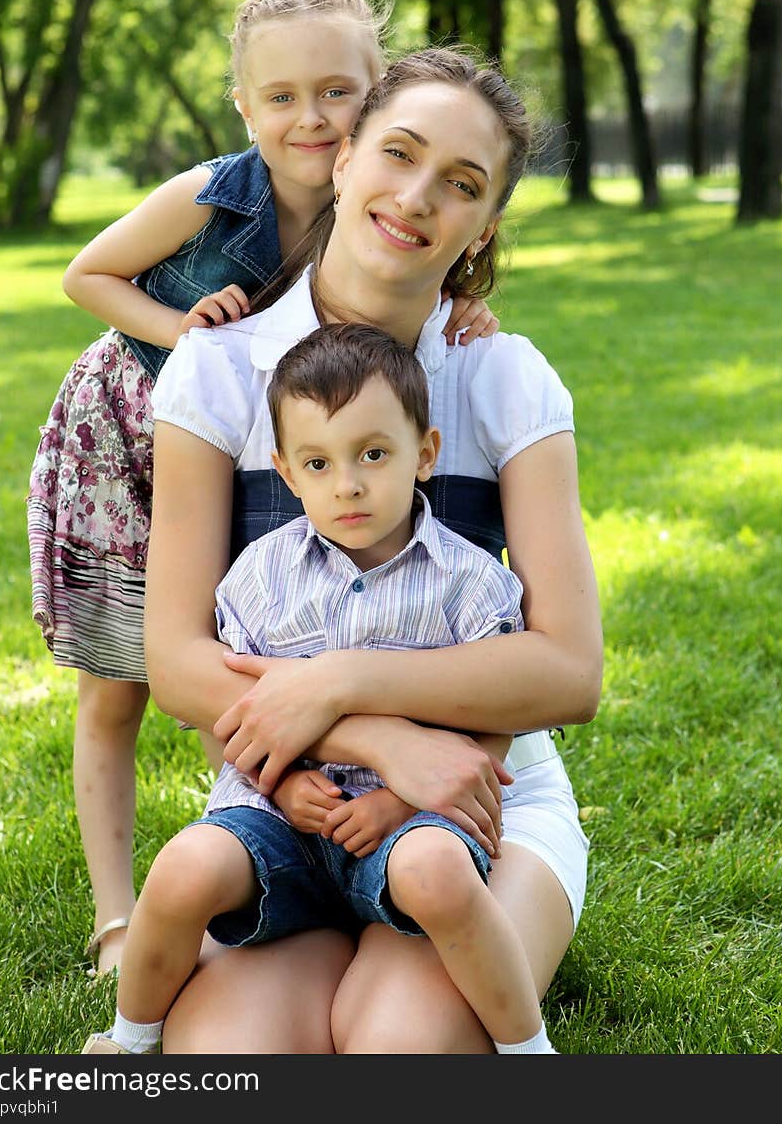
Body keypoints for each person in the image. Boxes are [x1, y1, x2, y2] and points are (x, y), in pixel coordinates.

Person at [25, 0, 497, 978]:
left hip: (272, 444)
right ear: (245, 105)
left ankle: (264, 836)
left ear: (377, 92)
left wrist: (470, 306)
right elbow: (85, 274)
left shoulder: (376, 198)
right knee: (123, 686)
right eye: (280, 96)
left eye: (337, 91)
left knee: (254, 631)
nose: (312, 117)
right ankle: (118, 917)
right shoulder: (210, 191)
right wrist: (181, 328)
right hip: (133, 431)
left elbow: (430, 266)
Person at [145, 45, 604, 1054]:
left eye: (463, 184)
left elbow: (568, 670)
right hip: (283, 800)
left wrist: (343, 678)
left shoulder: (505, 381)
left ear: (482, 228)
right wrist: (372, 735)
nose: (417, 196)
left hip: (476, 802)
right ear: (343, 157)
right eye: (397, 153)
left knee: (400, 1051)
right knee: (235, 1065)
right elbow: (177, 662)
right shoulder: (216, 372)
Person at [83, 323, 557, 1056]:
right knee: (182, 867)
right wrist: (276, 785)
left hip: (409, 821)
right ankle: (126, 1041)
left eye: (373, 454)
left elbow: (495, 721)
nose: (350, 484)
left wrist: (404, 800)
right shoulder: (258, 580)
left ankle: (530, 1051)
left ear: (425, 453)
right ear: (286, 470)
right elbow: (226, 707)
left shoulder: (469, 581)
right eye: (318, 462)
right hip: (281, 814)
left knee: (435, 870)